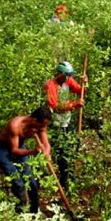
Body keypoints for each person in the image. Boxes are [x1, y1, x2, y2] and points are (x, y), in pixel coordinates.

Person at [0, 106, 52, 214]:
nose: (43, 127)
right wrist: (33, 152)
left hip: (20, 145)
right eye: (42, 125)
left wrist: (46, 152)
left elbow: (46, 142)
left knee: (31, 182)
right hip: (2, 148)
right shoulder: (15, 126)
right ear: (34, 120)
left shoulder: (41, 124)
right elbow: (14, 150)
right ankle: (20, 210)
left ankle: (34, 211)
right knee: (18, 183)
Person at [44, 61, 85, 192]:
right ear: (60, 74)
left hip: (67, 121)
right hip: (56, 124)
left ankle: (71, 173)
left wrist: (85, 82)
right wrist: (73, 105)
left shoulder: (68, 81)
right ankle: (64, 180)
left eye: (70, 75)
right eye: (67, 75)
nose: (69, 78)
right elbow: (55, 107)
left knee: (75, 144)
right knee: (62, 153)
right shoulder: (51, 85)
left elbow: (81, 91)